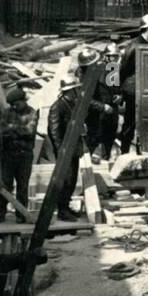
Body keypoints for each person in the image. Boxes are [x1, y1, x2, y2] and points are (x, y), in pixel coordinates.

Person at [118, 13, 148, 151]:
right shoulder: (134, 46)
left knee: (145, 124)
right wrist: (118, 92)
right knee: (130, 124)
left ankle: (142, 150)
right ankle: (124, 152)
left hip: (146, 90)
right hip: (133, 91)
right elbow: (120, 69)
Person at [48, 74, 85, 219]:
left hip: (73, 148)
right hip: (65, 149)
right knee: (66, 180)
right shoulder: (57, 106)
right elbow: (54, 130)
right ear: (69, 91)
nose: (76, 92)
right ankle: (62, 211)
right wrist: (60, 150)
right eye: (75, 90)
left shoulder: (72, 105)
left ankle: (66, 206)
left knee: (72, 180)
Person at [0, 87, 38, 221]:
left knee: (22, 185)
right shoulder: (7, 112)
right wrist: (17, 131)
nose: (14, 107)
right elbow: (2, 131)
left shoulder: (32, 112)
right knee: (5, 184)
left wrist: (12, 129)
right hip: (8, 154)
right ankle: (0, 213)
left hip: (24, 155)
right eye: (12, 104)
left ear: (23, 101)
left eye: (17, 104)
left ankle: (21, 214)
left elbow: (29, 131)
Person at [87, 45, 121, 161]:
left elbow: (117, 90)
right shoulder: (95, 71)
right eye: (113, 57)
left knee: (109, 142)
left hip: (112, 114)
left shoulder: (114, 70)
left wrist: (119, 97)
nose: (115, 60)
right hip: (97, 115)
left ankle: (106, 161)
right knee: (93, 142)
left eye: (117, 57)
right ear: (106, 57)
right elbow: (86, 98)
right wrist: (102, 107)